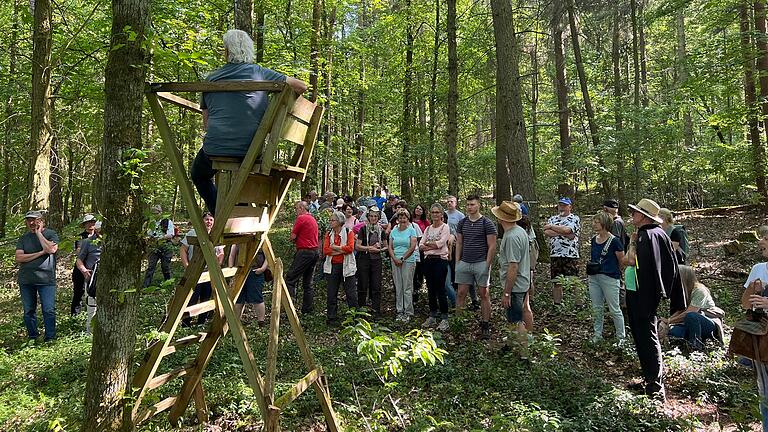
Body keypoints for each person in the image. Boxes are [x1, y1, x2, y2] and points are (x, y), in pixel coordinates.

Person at [190, 29, 308, 214]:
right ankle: (236, 215)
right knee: (243, 173)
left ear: (227, 51)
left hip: (215, 149)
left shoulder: (211, 79)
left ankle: (221, 214)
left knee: (199, 174)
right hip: (250, 150)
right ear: (248, 50)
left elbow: (207, 124)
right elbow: (301, 86)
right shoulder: (259, 73)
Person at [623, 198, 685, 401]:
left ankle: (656, 387)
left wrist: (631, 242)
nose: (632, 215)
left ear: (644, 216)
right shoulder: (654, 234)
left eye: (635, 213)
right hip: (639, 292)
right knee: (641, 335)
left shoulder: (647, 235)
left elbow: (630, 260)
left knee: (647, 336)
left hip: (644, 295)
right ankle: (649, 380)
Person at [455, 194, 498, 339]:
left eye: (472, 204)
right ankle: (458, 323)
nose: (469, 207)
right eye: (467, 205)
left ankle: (485, 324)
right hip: (464, 262)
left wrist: (487, 264)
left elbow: (492, 245)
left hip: (481, 263)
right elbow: (459, 242)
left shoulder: (487, 223)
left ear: (478, 205)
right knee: (461, 293)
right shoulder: (462, 223)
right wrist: (457, 261)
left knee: (484, 294)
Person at [493, 201, 530, 356]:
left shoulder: (513, 236)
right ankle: (509, 345)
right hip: (520, 283)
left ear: (502, 219)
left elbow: (513, 266)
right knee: (512, 318)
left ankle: (524, 355)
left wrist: (507, 292)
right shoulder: (518, 231)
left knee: (516, 320)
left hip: (515, 286)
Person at [15, 211, 59, 342]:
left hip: (46, 280)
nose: (31, 223)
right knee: (28, 311)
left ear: (41, 221)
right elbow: (19, 257)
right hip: (26, 280)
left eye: (34, 220)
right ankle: (33, 336)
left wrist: (39, 233)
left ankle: (50, 337)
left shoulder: (51, 234)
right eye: (29, 220)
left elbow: (51, 250)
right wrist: (40, 253)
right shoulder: (23, 238)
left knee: (48, 309)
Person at [741, 225, 768, 429]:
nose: (761, 241)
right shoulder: (758, 268)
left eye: (766, 237)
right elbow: (745, 304)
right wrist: (753, 289)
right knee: (765, 391)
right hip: (762, 338)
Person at [587, 212, 626, 344]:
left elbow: (622, 260)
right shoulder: (594, 239)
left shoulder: (614, 241)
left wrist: (617, 273)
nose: (594, 224)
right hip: (594, 278)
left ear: (604, 223)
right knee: (597, 308)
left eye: (596, 222)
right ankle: (597, 335)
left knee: (614, 308)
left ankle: (621, 338)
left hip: (610, 278)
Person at [180, 212, 225, 326]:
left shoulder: (216, 235)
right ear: (202, 221)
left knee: (206, 296)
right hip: (194, 271)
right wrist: (186, 265)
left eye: (211, 220)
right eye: (207, 219)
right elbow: (183, 250)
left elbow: (221, 253)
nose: (209, 222)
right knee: (192, 297)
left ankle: (201, 321)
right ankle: (186, 322)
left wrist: (216, 268)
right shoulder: (192, 233)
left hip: (209, 272)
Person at [664, 265, 723, 350]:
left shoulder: (700, 291)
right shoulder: (684, 291)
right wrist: (667, 322)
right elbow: (681, 310)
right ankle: (685, 342)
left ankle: (696, 345)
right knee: (673, 332)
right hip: (690, 324)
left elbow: (689, 312)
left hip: (708, 324)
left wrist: (668, 321)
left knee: (691, 316)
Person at [543, 197, 581, 307]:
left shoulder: (574, 218)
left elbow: (568, 230)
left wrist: (554, 228)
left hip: (570, 254)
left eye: (564, 205)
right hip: (555, 254)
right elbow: (547, 232)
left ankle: (579, 305)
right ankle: (557, 305)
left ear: (570, 207)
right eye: (560, 205)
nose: (562, 207)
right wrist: (563, 232)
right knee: (556, 281)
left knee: (574, 280)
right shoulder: (552, 219)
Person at [420, 203, 451, 331]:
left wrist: (429, 244)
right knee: (430, 289)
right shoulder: (428, 229)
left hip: (440, 261)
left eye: (437, 212)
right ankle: (432, 314)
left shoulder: (445, 228)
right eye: (433, 212)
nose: (435, 215)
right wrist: (430, 245)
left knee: (440, 289)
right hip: (428, 261)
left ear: (441, 214)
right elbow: (421, 245)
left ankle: (444, 318)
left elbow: (440, 243)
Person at [323, 210, 358, 325]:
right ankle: (331, 317)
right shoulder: (329, 234)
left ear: (339, 221)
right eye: (330, 220)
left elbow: (350, 248)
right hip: (332, 266)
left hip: (347, 266)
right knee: (331, 293)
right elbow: (326, 250)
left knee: (351, 293)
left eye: (332, 220)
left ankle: (354, 318)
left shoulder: (348, 232)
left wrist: (335, 248)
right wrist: (341, 250)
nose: (330, 222)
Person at [285, 201, 320, 314]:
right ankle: (307, 310)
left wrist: (295, 239)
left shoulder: (301, 218)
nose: (296, 211)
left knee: (290, 279)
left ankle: (289, 308)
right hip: (314, 252)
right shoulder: (312, 218)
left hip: (305, 252)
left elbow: (292, 236)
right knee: (308, 282)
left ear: (301, 208)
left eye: (296, 209)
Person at [355, 206, 387, 317]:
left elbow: (386, 247)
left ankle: (375, 311)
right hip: (364, 259)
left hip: (376, 260)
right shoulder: (363, 229)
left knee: (376, 286)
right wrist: (369, 248)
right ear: (368, 217)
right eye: (371, 216)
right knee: (363, 285)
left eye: (375, 216)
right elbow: (357, 246)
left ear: (378, 218)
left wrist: (379, 248)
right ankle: (361, 311)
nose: (373, 218)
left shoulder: (381, 230)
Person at [388, 208, 418, 322]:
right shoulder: (394, 231)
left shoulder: (411, 230)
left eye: (404, 217)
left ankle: (408, 311)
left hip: (408, 261)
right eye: (400, 217)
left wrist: (402, 258)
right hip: (395, 260)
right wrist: (394, 258)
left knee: (407, 286)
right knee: (398, 286)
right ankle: (399, 310)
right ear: (397, 219)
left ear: (407, 218)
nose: (402, 219)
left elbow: (412, 246)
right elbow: (390, 246)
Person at [231, 245, 268, 327]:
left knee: (257, 298)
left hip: (255, 272)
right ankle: (236, 323)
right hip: (239, 272)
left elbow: (267, 257)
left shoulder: (262, 240)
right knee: (238, 298)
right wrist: (232, 271)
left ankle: (261, 322)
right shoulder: (238, 241)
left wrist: (262, 269)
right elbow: (232, 255)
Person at [76, 221, 102, 334]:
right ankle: (89, 334)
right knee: (92, 309)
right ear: (96, 230)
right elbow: (79, 260)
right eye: (100, 230)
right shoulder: (87, 242)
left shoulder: (113, 242)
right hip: (92, 281)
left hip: (109, 281)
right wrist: (84, 270)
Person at [143, 205, 175, 288]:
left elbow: (171, 235)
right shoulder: (149, 223)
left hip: (166, 245)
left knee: (165, 266)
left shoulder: (168, 222)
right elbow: (146, 234)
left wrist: (159, 238)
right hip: (153, 246)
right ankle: (146, 285)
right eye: (153, 213)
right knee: (151, 266)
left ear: (160, 213)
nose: (155, 215)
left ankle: (168, 283)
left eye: (156, 213)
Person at [71, 214, 97, 315]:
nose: (91, 224)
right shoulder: (81, 237)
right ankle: (75, 314)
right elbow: (78, 251)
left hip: (94, 268)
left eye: (92, 222)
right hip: (80, 267)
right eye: (88, 222)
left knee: (93, 290)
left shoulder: (100, 236)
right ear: (85, 225)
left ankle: (92, 313)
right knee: (79, 291)